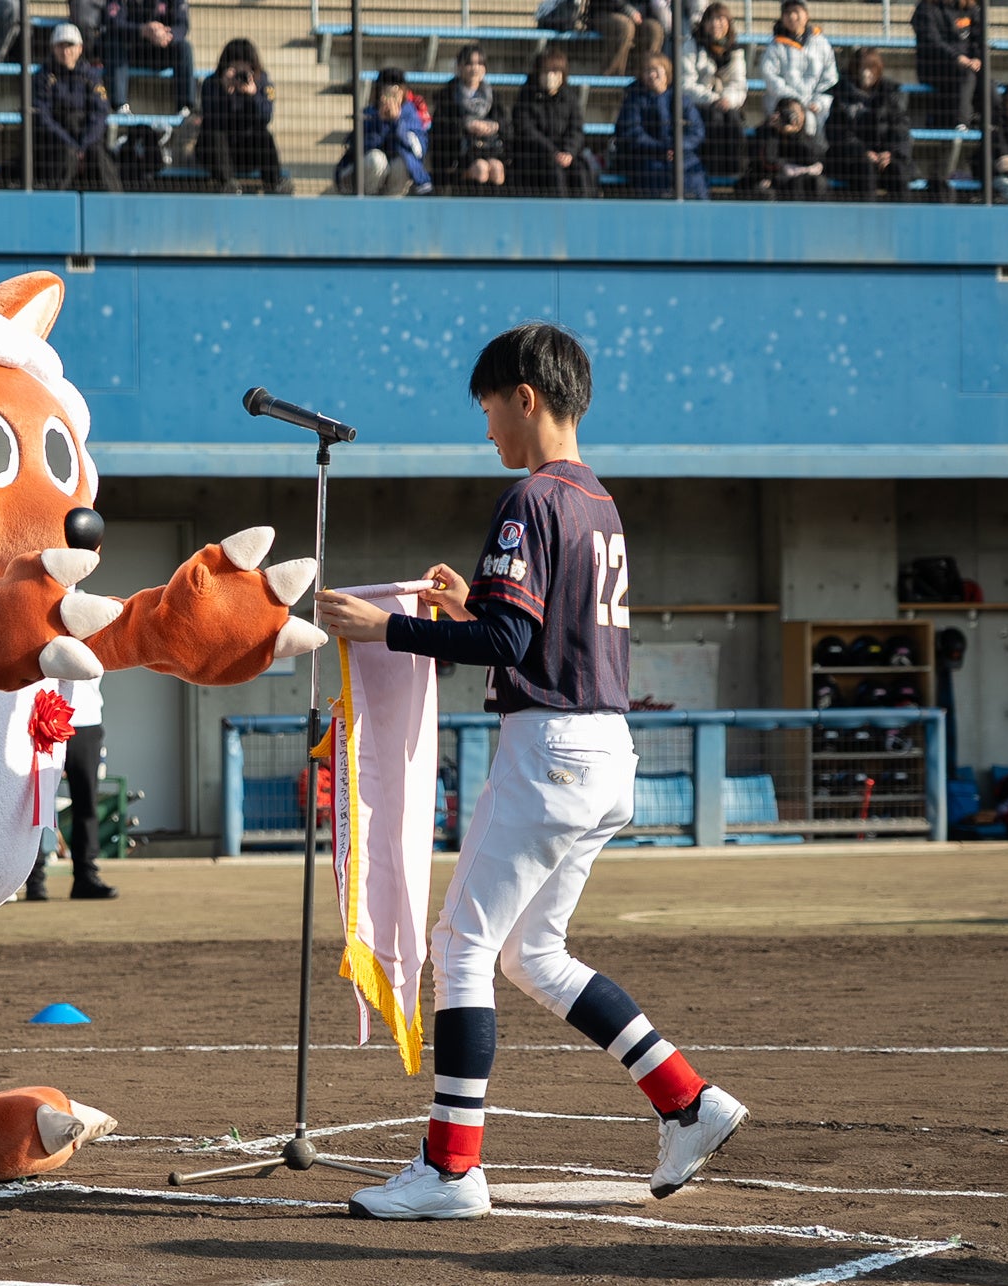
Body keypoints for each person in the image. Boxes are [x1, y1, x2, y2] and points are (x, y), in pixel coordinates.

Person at [313, 322, 747, 1220]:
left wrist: (386, 627)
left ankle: (449, 1170)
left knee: (460, 948)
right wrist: (463, 603)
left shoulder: (530, 497)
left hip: (549, 749)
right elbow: (529, 627)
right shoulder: (597, 502)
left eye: (488, 408)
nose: (485, 428)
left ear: (525, 395)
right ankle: (687, 1099)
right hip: (605, 749)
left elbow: (508, 641)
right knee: (532, 954)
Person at [23, 677, 118, 901]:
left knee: (86, 803)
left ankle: (86, 877)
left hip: (87, 720)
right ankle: (34, 880)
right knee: (39, 802)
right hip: (45, 717)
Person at [33, 22, 120, 190]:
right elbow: (43, 116)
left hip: (87, 137)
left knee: (99, 156)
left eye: (70, 45)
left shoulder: (90, 76)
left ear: (80, 48)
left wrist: (84, 144)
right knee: (67, 156)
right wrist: (70, 143)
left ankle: (114, 202)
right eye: (60, 46)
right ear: (53, 48)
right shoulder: (43, 76)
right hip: (57, 141)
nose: (66, 51)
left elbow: (100, 113)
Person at [197, 37, 289, 192]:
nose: (240, 70)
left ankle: (275, 182)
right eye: (235, 64)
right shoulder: (211, 83)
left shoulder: (263, 82)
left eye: (244, 64)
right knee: (214, 133)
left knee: (264, 135)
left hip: (247, 151)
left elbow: (266, 117)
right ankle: (228, 183)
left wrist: (253, 95)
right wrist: (224, 91)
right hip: (216, 152)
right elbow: (210, 118)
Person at [613, 53, 708, 198]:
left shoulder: (682, 100)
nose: (652, 75)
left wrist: (678, 147)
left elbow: (697, 131)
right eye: (647, 71)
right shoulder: (633, 99)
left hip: (683, 156)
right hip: (647, 157)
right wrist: (662, 148)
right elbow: (632, 133)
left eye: (656, 70)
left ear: (666, 72)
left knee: (695, 177)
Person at [826, 47, 912, 200]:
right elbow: (837, 132)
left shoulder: (891, 93)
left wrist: (890, 153)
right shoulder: (840, 94)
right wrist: (862, 152)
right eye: (861, 68)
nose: (866, 73)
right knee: (865, 169)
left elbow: (901, 128)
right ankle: (867, 213)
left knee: (898, 170)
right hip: (851, 160)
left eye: (871, 68)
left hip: (885, 157)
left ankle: (903, 213)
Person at [508, 51, 595, 196]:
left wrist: (568, 151)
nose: (550, 76)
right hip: (536, 156)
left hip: (566, 154)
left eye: (555, 72)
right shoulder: (526, 97)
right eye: (545, 72)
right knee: (554, 173)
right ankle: (559, 209)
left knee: (581, 170)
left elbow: (576, 129)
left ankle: (584, 208)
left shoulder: (569, 98)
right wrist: (553, 152)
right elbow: (526, 130)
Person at [335, 67, 431, 195]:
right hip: (361, 173)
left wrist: (396, 121)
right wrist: (380, 122)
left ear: (403, 92)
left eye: (396, 92)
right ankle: (368, 203)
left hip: (393, 169)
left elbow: (418, 149)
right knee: (377, 160)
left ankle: (392, 204)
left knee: (401, 164)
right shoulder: (369, 113)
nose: (391, 98)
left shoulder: (410, 113)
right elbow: (357, 148)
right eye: (387, 92)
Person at [427, 44, 508, 192]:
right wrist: (466, 126)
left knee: (497, 168)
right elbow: (441, 127)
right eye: (469, 63)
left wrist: (494, 126)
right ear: (460, 66)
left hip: (489, 148)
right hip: (459, 154)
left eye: (480, 63)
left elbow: (505, 124)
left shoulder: (493, 96)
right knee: (481, 168)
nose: (475, 68)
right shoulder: (447, 95)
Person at [681, 2, 747, 177]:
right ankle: (712, 168)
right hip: (699, 103)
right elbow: (685, 84)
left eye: (721, 19)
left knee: (733, 116)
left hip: (726, 102)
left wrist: (727, 98)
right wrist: (713, 99)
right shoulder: (691, 45)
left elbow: (739, 84)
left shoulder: (735, 50)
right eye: (711, 20)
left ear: (728, 23)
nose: (716, 24)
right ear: (704, 23)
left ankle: (735, 168)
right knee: (715, 116)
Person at [101, 0, 195, 115]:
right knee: (114, 45)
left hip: (162, 50)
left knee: (185, 47)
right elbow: (113, 23)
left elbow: (182, 25)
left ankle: (185, 107)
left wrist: (166, 35)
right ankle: (119, 106)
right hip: (131, 52)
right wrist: (142, 30)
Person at [761, 0, 837, 133]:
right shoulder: (775, 46)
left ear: (806, 15)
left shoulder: (821, 43)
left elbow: (829, 79)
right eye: (787, 13)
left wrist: (819, 103)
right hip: (784, 108)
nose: (792, 17)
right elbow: (771, 77)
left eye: (796, 11)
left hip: (815, 112)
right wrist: (794, 102)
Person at [911, 0, 983, 128]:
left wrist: (977, 58)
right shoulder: (926, 8)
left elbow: (979, 39)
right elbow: (932, 41)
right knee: (967, 75)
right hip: (935, 68)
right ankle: (961, 124)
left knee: (988, 86)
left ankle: (991, 125)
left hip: (966, 68)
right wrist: (957, 57)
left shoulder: (970, 8)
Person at [747, 94, 827, 197]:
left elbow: (813, 158)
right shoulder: (766, 133)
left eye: (796, 113)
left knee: (815, 183)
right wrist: (773, 131)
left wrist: (794, 134)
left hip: (801, 183)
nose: (792, 117)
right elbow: (768, 159)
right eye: (788, 113)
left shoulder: (807, 138)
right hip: (775, 181)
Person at [589, 0, 668, 79]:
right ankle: (612, 78)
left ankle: (643, 78)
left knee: (654, 29)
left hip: (639, 15)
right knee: (625, 27)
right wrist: (629, 11)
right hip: (606, 11)